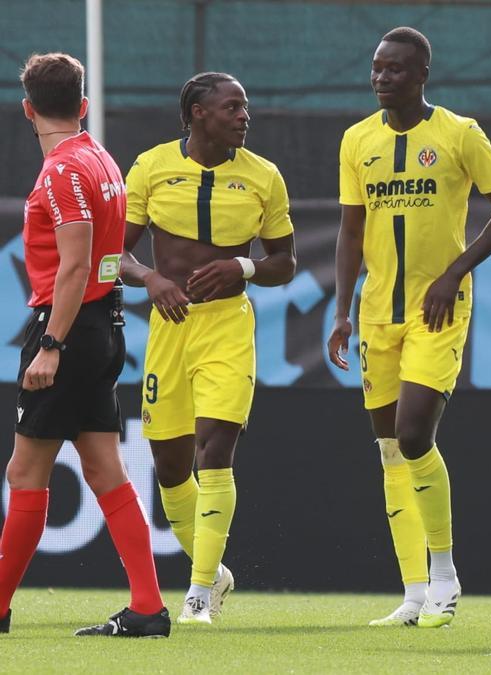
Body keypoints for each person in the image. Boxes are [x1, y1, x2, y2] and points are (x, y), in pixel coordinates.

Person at [326, 27, 491, 628]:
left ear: (421, 77)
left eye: (394, 69)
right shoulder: (356, 139)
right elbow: (350, 231)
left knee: (414, 435)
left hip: (437, 310)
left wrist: (454, 272)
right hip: (376, 313)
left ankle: (445, 574)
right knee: (388, 449)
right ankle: (414, 593)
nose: (381, 77)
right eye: (376, 68)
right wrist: (341, 310)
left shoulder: (460, 134)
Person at [1, 52, 169, 638]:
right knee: (104, 469)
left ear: (27, 109)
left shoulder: (62, 171)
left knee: (25, 473)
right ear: (84, 105)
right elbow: (102, 260)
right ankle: (148, 608)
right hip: (104, 328)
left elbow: (74, 268)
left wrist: (50, 344)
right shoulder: (100, 158)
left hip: (69, 330)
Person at [119, 72, 297, 624]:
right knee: (170, 468)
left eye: (245, 106)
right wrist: (150, 279)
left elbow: (284, 263)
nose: (245, 115)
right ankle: (214, 571)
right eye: (233, 107)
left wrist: (243, 266)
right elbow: (112, 257)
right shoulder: (150, 167)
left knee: (214, 451)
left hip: (227, 328)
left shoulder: (264, 176)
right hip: (169, 330)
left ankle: (197, 595)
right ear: (199, 113)